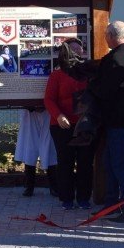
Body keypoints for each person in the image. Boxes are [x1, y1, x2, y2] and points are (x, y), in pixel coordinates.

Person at [89, 21, 124, 223]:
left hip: (121, 121)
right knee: (109, 162)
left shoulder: (119, 58)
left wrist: (91, 84)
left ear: (111, 36)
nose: (104, 38)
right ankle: (111, 204)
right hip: (117, 120)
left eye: (105, 34)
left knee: (120, 164)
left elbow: (106, 89)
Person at [45, 38, 92, 210]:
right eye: (73, 49)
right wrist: (58, 116)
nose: (78, 52)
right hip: (62, 125)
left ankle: (84, 197)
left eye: (79, 49)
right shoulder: (57, 75)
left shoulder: (88, 72)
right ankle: (66, 198)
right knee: (65, 162)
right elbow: (49, 99)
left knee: (85, 162)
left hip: (84, 125)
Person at [15, 106, 59, 198]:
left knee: (49, 149)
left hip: (48, 111)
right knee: (30, 150)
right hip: (29, 113)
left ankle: (54, 187)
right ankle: (29, 187)